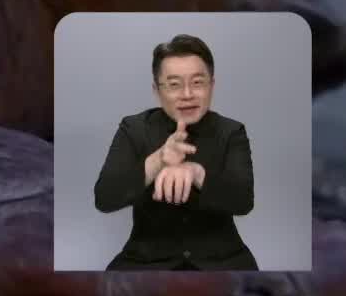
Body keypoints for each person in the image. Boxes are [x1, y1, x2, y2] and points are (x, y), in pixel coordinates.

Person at [92, 33, 258, 271]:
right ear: (157, 90)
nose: (187, 94)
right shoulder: (134, 129)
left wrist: (197, 173)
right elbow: (104, 199)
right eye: (174, 84)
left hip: (223, 262)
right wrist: (157, 160)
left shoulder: (231, 131)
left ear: (212, 85)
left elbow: (243, 201)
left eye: (198, 82)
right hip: (147, 262)